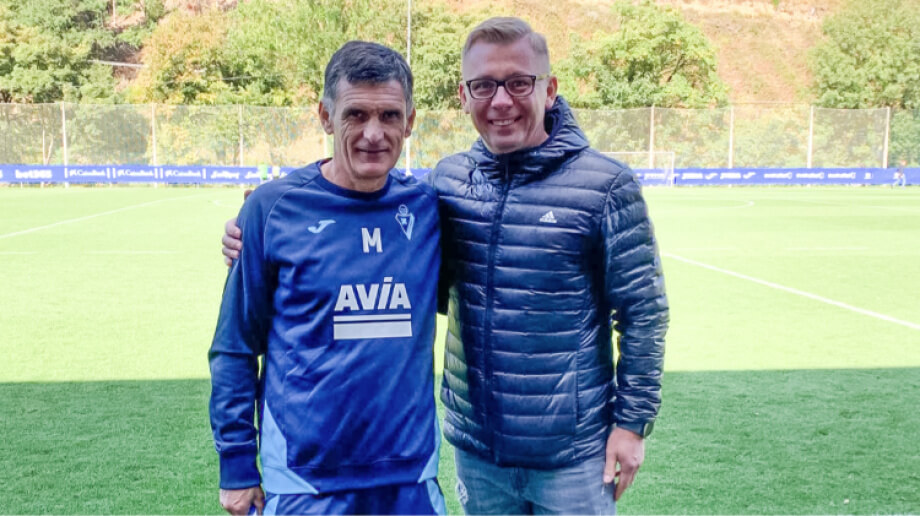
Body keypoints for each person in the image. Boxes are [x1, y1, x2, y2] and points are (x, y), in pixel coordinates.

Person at [223, 17, 668, 515]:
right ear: (464, 95)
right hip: (474, 453)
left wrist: (631, 424)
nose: (501, 101)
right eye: (484, 86)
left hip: (570, 455)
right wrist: (254, 230)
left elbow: (644, 313)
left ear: (549, 89)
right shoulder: (446, 185)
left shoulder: (603, 186)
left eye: (519, 83)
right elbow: (406, 278)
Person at [209, 41, 445, 516]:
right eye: (356, 114)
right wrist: (236, 466)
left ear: (410, 121)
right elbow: (235, 348)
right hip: (305, 482)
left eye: (390, 116)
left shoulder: (429, 210)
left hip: (411, 478)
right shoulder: (273, 210)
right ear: (325, 116)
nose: (374, 134)